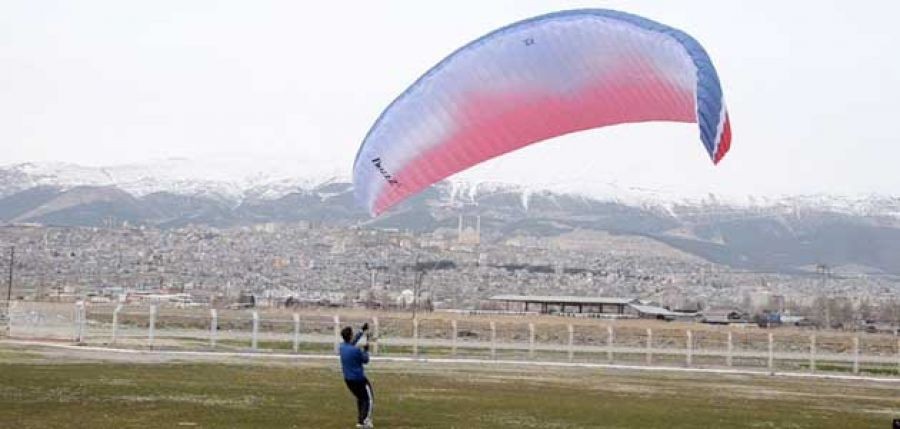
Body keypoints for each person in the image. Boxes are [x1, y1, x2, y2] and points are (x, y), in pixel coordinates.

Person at [340, 323, 373, 429]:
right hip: (359, 379)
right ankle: (365, 421)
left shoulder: (342, 347)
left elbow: (352, 342)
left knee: (360, 398)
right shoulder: (355, 350)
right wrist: (366, 350)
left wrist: (361, 331)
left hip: (348, 380)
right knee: (368, 399)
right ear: (350, 336)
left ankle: (360, 421)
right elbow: (366, 360)